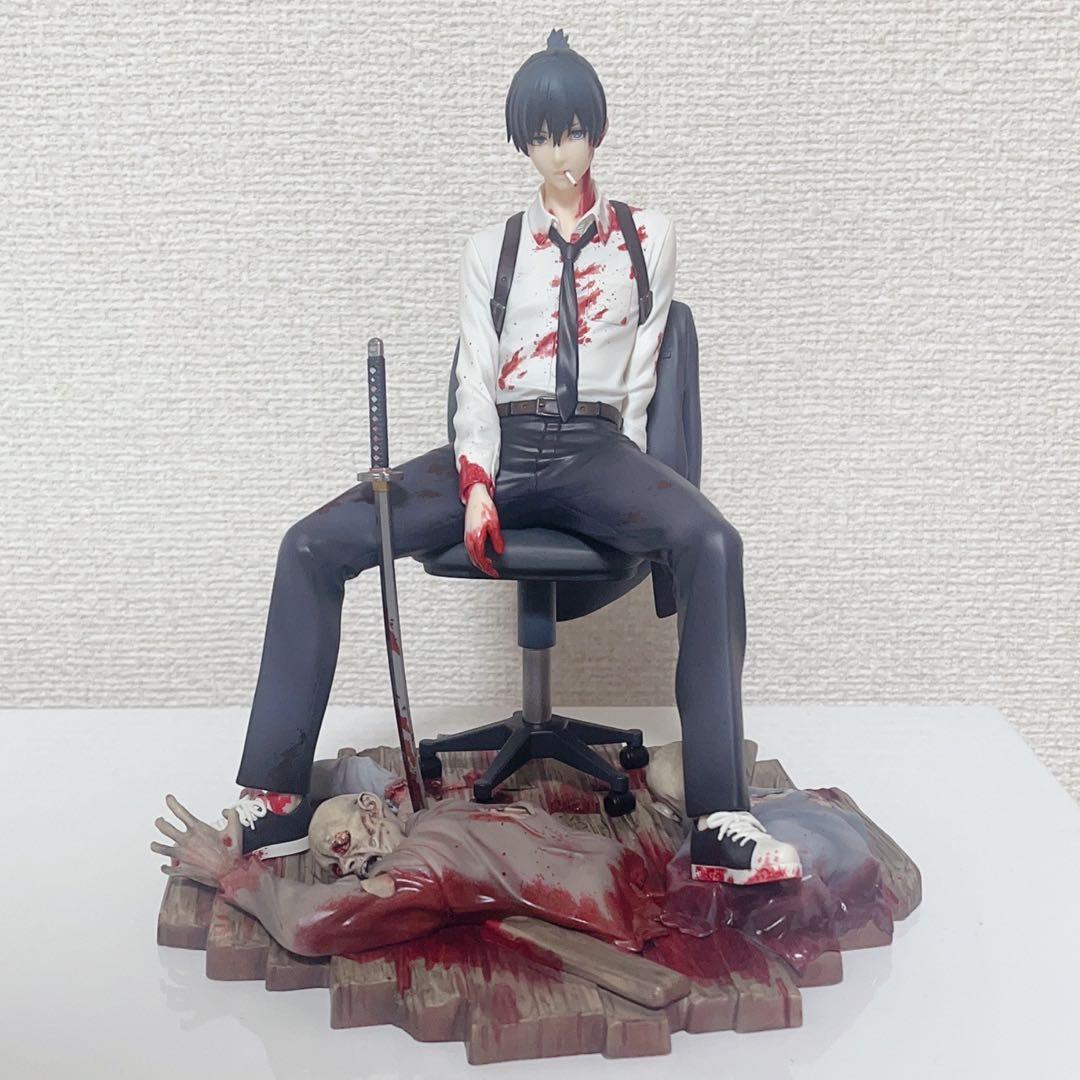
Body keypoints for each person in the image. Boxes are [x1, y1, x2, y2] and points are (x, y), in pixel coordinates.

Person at [225, 29, 801, 885]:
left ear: (596, 130)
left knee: (716, 542)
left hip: (596, 448)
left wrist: (656, 497)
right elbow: (475, 375)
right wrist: (476, 483)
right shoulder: (491, 248)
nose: (558, 152)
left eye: (572, 131)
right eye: (539, 137)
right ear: (522, 144)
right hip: (501, 442)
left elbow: (646, 370)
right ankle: (271, 799)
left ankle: (721, 820)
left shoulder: (647, 238)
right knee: (311, 543)